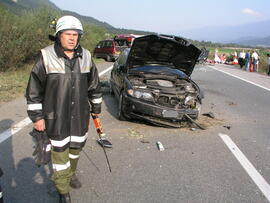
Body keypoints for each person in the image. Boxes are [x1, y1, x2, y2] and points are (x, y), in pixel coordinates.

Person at [25, 16, 102, 203]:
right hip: (55, 118)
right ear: (59, 35)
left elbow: (94, 85)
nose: (72, 38)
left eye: (76, 34)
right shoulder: (45, 56)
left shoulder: (86, 56)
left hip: (79, 117)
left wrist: (96, 108)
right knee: (59, 155)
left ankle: (70, 174)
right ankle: (62, 190)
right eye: (68, 34)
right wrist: (37, 117)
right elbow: (34, 91)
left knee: (75, 149)